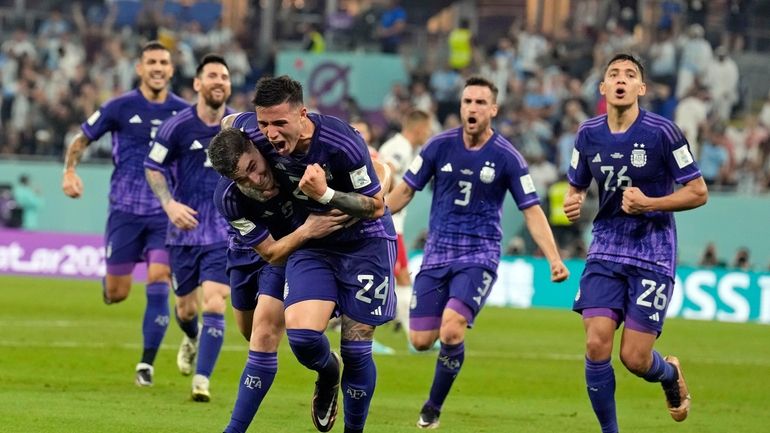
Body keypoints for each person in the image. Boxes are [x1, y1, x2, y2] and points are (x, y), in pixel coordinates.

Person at [208, 75, 397, 433]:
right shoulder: (253, 142)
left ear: (302, 114)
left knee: (357, 350)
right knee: (301, 337)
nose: (272, 133)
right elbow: (230, 123)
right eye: (264, 124)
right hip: (309, 243)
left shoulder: (341, 142)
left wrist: (326, 195)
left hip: (365, 242)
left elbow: (374, 205)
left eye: (280, 123)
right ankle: (328, 374)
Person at [386, 76, 569, 429]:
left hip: (478, 255)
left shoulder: (508, 157)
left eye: (480, 103)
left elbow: (532, 210)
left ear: (493, 110)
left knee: (452, 331)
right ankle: (440, 372)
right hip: (438, 254)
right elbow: (406, 191)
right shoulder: (438, 147)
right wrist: (373, 215)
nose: (472, 108)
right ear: (461, 107)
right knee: (421, 340)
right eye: (467, 101)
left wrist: (554, 257)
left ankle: (433, 406)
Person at [563, 53, 708, 433]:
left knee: (634, 358)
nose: (621, 79)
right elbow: (576, 182)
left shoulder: (664, 132)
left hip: (652, 251)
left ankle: (668, 373)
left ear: (641, 88)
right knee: (596, 345)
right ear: (603, 88)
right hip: (606, 247)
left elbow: (698, 192)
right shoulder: (587, 134)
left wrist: (651, 203)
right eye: (614, 74)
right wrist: (572, 198)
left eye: (630, 74)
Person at [61, 40, 189, 387]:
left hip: (165, 212)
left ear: (171, 69)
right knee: (117, 293)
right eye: (151, 62)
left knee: (159, 278)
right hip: (124, 212)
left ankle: (146, 365)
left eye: (164, 62)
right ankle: (110, 284)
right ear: (140, 68)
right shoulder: (119, 107)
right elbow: (81, 139)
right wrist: (69, 171)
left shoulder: (184, 112)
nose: (158, 67)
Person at [211, 116, 350, 432]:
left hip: (294, 252)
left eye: (254, 167)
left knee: (263, 334)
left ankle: (234, 429)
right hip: (259, 248)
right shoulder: (228, 200)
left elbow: (231, 118)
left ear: (255, 146)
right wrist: (307, 229)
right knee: (249, 332)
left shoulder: (269, 138)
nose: (256, 179)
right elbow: (269, 250)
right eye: (243, 178)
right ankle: (331, 367)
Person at [143, 53, 233, 402]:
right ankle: (192, 337)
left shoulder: (239, 126)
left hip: (223, 231)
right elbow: (153, 166)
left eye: (224, 77)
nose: (218, 81)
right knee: (186, 310)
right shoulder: (177, 126)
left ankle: (201, 380)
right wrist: (169, 204)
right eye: (212, 75)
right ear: (198, 84)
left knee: (214, 302)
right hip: (184, 231)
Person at [377, 109, 432, 338]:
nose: (429, 134)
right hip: (388, 221)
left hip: (390, 221)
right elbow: (386, 170)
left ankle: (404, 324)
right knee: (400, 276)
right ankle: (413, 335)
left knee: (398, 276)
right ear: (418, 128)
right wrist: (384, 200)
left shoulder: (403, 147)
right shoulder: (400, 148)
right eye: (427, 129)